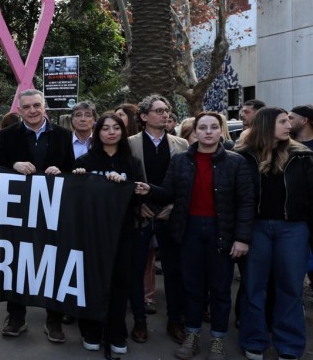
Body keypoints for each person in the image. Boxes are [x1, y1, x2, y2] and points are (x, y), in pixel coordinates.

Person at [158, 112, 253, 360]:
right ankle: (192, 336)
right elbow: (167, 192)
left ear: (221, 131)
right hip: (189, 230)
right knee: (192, 287)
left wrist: (242, 238)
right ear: (195, 131)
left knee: (220, 288)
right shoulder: (179, 160)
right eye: (202, 127)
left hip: (221, 230)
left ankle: (218, 340)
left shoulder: (236, 162)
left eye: (213, 127)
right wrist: (145, 190)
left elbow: (246, 203)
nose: (208, 132)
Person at [72, 112, 162, 356]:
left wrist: (125, 187)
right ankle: (91, 330)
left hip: (124, 232)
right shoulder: (85, 161)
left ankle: (116, 332)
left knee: (121, 282)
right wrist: (78, 179)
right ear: (98, 132)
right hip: (92, 233)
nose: (111, 132)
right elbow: (74, 200)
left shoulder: (132, 163)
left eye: (116, 128)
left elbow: (140, 196)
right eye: (105, 128)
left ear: (123, 132)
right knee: (92, 281)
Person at [0, 89, 74, 343]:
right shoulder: (7, 135)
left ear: (44, 107)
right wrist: (13, 165)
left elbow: (72, 169)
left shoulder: (63, 135)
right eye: (27, 106)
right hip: (17, 210)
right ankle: (16, 317)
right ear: (19, 110)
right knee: (17, 261)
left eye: (36, 105)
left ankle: (54, 320)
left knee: (53, 261)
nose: (32, 110)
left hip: (53, 210)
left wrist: (60, 171)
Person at [236, 107, 313, 360]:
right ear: (267, 125)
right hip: (255, 228)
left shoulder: (302, 156)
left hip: (293, 228)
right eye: (282, 121)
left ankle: (289, 345)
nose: (288, 126)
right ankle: (254, 340)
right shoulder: (242, 156)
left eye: (288, 121)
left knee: (290, 287)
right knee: (253, 286)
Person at [127, 95, 190, 344]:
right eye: (159, 111)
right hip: (140, 216)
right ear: (144, 116)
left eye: (167, 111)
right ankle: (139, 322)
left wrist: (173, 206)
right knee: (136, 271)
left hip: (170, 217)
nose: (165, 115)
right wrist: (137, 205)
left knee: (174, 272)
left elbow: (187, 182)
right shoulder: (129, 143)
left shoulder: (181, 144)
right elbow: (124, 179)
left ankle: (175, 321)